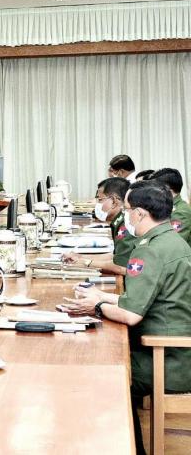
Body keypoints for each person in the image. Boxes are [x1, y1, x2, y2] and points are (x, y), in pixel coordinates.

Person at [60, 181, 191, 455]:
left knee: (104, 374)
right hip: (175, 351)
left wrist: (96, 307)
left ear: (140, 214)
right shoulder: (172, 242)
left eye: (128, 210)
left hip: (167, 360)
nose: (126, 216)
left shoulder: (150, 250)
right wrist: (101, 296)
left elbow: (131, 314)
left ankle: (126, 447)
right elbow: (146, 299)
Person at [63, 177, 137, 275]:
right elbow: (116, 256)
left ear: (114, 201)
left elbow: (121, 266)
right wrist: (80, 257)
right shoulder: (119, 221)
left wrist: (86, 263)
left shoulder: (126, 224)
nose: (97, 205)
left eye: (100, 200)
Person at [150, 168, 191, 246]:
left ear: (168, 191)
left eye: (155, 189)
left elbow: (171, 242)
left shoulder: (181, 212)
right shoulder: (166, 207)